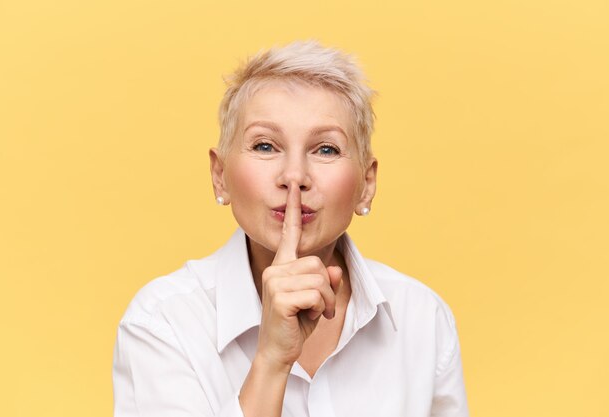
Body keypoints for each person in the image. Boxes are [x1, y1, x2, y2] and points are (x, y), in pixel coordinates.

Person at [113, 40, 469, 417]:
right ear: (220, 177)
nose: (295, 176)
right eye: (265, 146)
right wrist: (270, 360)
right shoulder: (162, 321)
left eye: (326, 150)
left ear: (366, 184)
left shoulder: (422, 318)